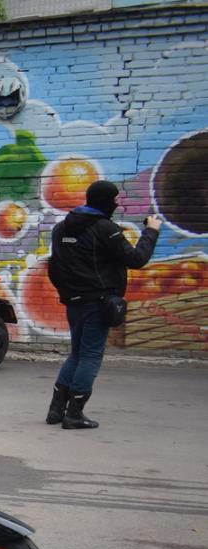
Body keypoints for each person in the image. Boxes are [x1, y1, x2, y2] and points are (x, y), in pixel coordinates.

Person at [45, 179, 161, 430]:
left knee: (77, 353)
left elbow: (54, 267)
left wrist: (67, 292)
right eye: (115, 199)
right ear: (106, 201)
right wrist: (151, 231)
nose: (117, 203)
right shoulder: (105, 228)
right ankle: (74, 414)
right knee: (90, 356)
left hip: (73, 301)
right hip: (98, 302)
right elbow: (136, 259)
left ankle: (56, 409)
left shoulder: (60, 229)